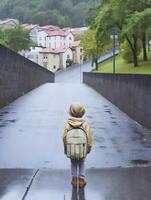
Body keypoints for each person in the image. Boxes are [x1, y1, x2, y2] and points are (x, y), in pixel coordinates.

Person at [63, 103, 93, 187]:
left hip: (71, 148)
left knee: (73, 163)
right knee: (82, 163)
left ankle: (74, 180)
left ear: (70, 112)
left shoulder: (68, 124)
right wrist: (89, 147)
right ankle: (81, 180)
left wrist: (66, 148)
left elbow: (64, 137)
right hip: (82, 149)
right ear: (82, 112)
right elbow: (89, 137)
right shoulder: (85, 124)